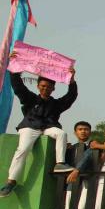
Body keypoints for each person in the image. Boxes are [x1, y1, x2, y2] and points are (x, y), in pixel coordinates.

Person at [0, 62, 77, 197]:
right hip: (30, 127)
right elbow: (18, 87)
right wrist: (14, 69)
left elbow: (71, 97)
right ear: (38, 86)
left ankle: (60, 163)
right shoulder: (30, 98)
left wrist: (72, 81)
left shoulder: (56, 104)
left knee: (62, 134)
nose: (45, 88)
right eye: (43, 86)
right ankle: (11, 182)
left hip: (48, 127)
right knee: (23, 149)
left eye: (48, 87)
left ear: (53, 88)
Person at [43, 121, 92, 209]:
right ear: (75, 132)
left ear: (90, 132)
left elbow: (89, 156)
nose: (83, 131)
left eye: (86, 129)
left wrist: (77, 170)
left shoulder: (92, 146)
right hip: (71, 183)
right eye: (80, 129)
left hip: (87, 182)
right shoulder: (70, 148)